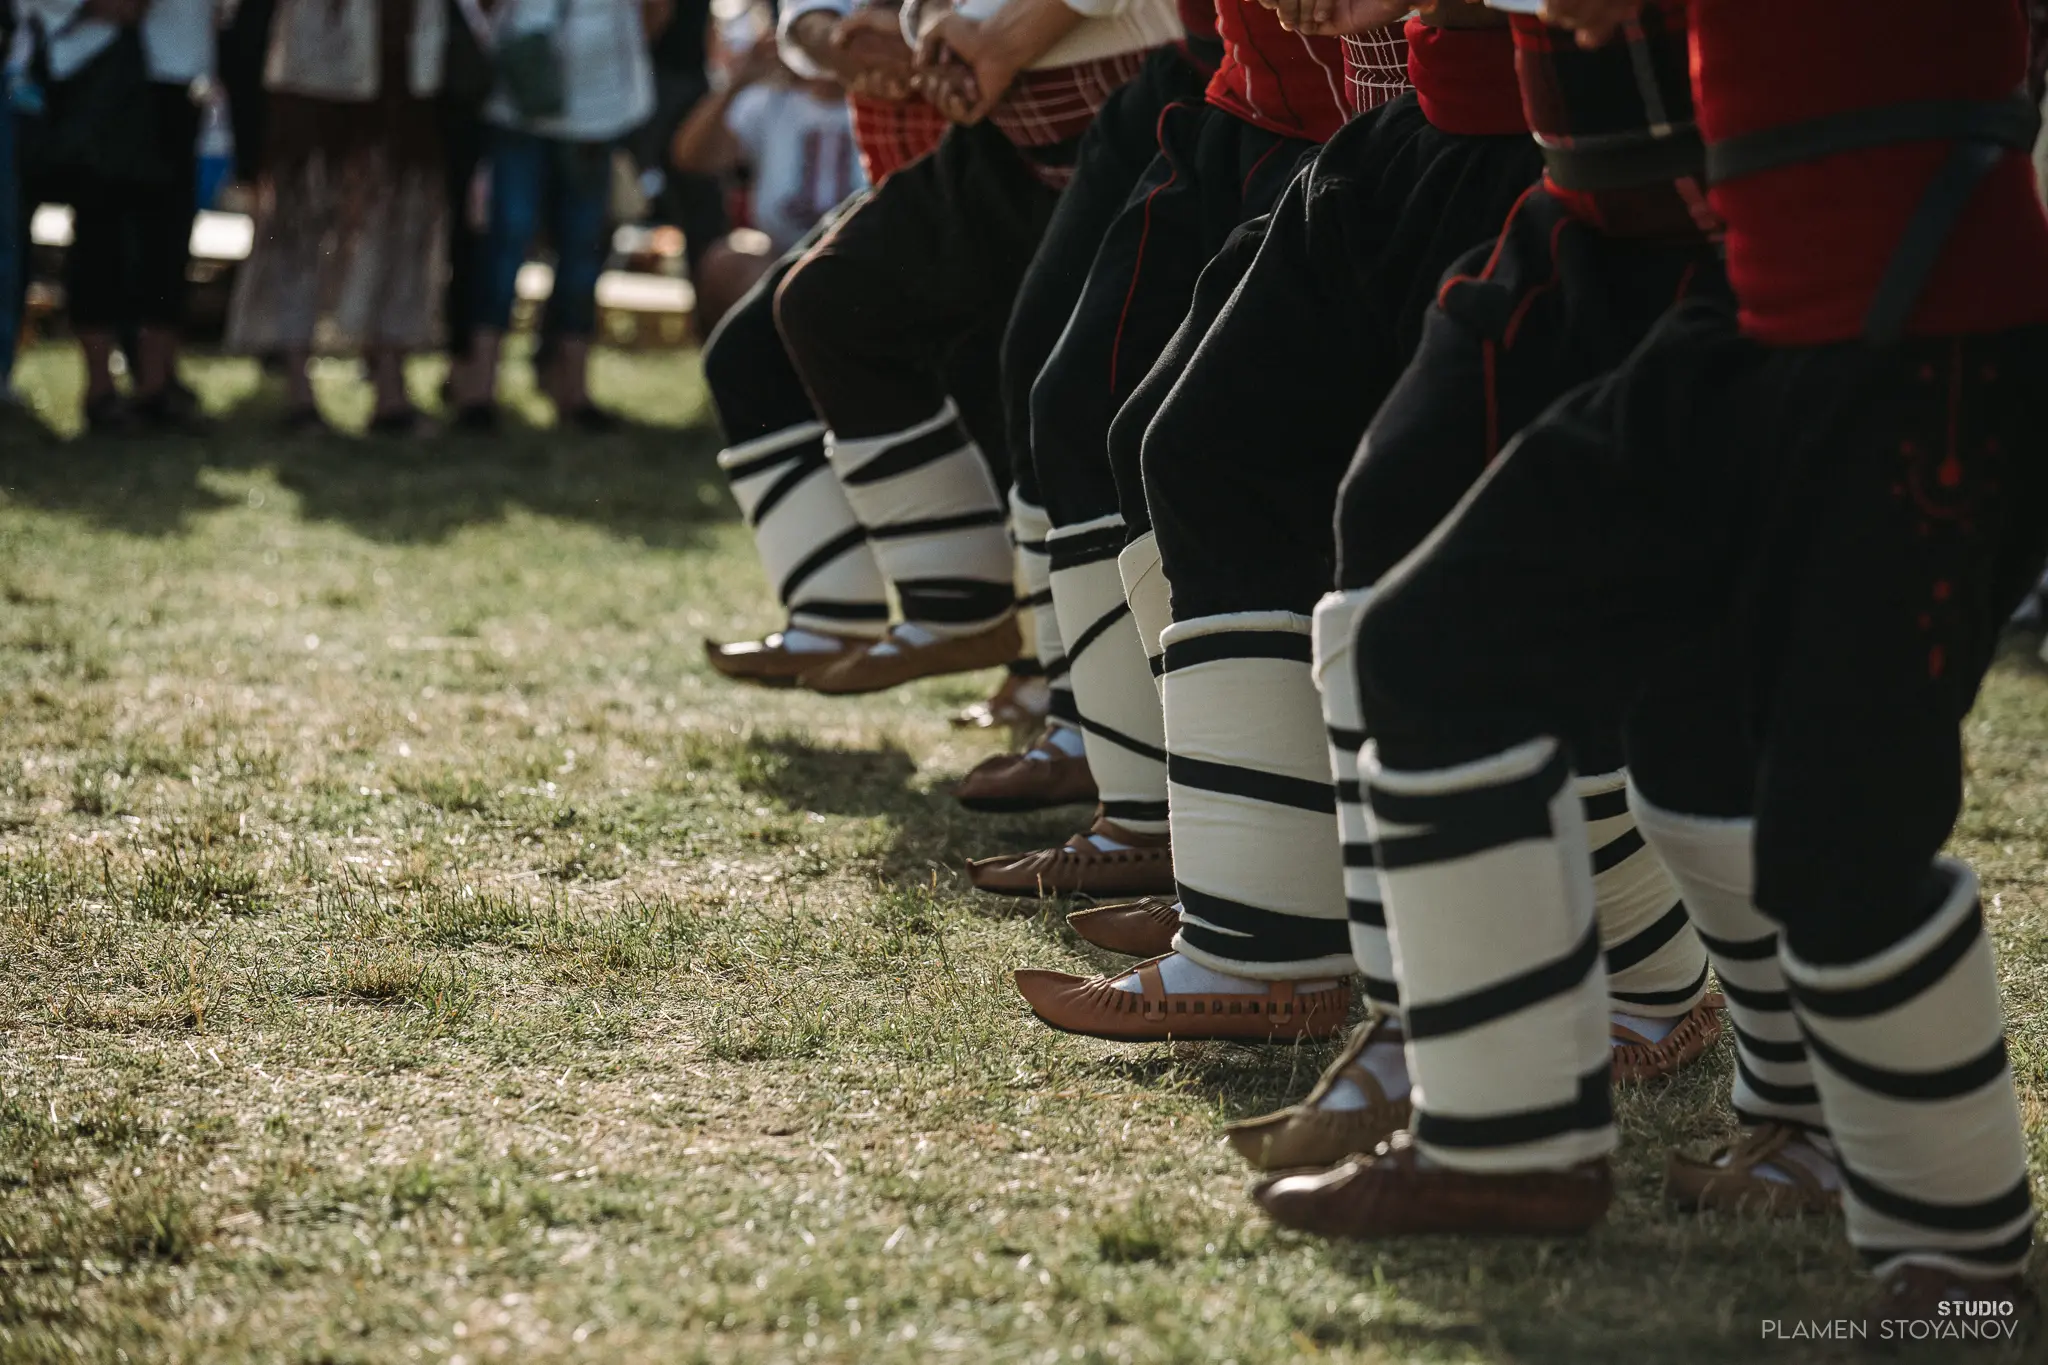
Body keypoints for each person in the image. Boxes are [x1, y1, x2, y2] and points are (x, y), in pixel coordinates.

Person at [1258, 0, 2044, 1324]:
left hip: (1931, 329)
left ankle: (1957, 1267)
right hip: (1747, 312)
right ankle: (1503, 1144)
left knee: (1836, 835)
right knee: (1429, 644)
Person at [760, 0, 1182, 695]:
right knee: (824, 304)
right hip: (1006, 125)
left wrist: (990, 39)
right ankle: (954, 611)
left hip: (1147, 106)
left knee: (1057, 389)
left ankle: (1076, 701)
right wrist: (927, 30)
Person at [226, 0, 451, 434]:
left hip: (408, 74)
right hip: (317, 72)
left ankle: (389, 383)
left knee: (400, 226)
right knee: (300, 225)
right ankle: (298, 386)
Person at [451, 0, 656, 429]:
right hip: (520, 105)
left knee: (582, 250)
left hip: (599, 109)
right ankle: (480, 389)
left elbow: (656, 13)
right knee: (505, 243)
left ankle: (573, 391)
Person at [24, 0, 213, 434]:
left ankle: (155, 385)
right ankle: (100, 390)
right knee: (100, 232)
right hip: (101, 74)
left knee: (168, 237)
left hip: (177, 76)